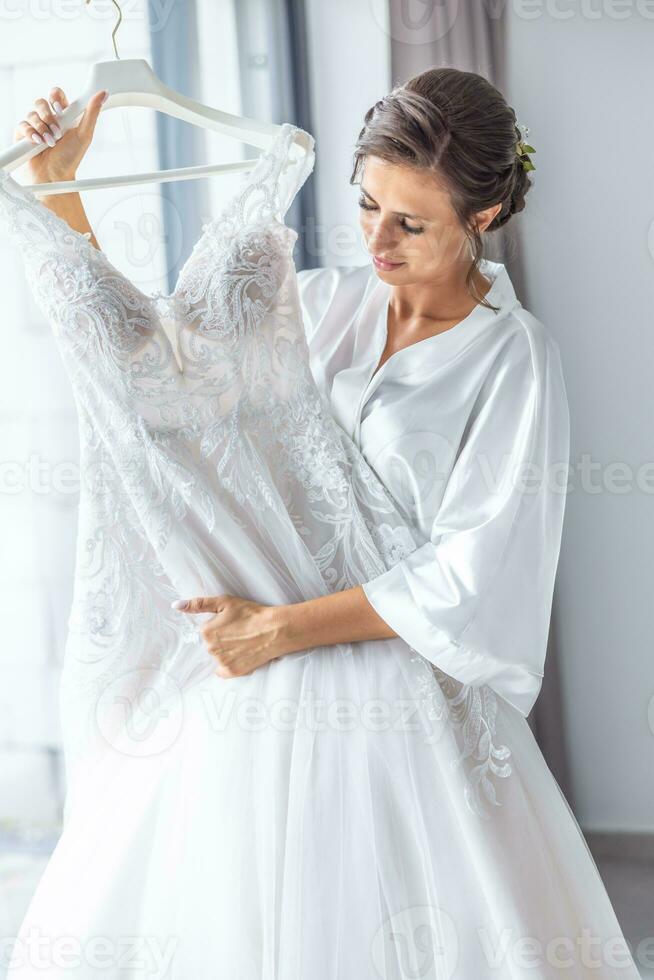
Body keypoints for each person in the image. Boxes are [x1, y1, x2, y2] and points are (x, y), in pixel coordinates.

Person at [6, 66, 641, 979]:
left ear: (484, 218)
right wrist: (61, 192)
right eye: (366, 205)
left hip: (396, 703)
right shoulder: (324, 300)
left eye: (410, 223)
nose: (377, 240)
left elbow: (474, 568)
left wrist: (281, 631)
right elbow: (163, 377)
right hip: (252, 674)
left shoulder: (514, 360)